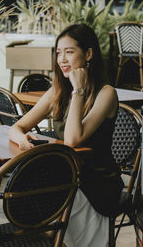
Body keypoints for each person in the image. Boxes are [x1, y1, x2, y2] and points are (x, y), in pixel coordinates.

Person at [9, 23, 123, 247]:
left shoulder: (106, 93)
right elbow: (17, 127)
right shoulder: (57, 91)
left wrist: (78, 91)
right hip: (67, 176)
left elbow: (72, 139)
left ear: (88, 54)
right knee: (24, 194)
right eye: (59, 53)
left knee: (43, 200)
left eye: (69, 52)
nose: (62, 60)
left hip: (96, 184)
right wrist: (22, 138)